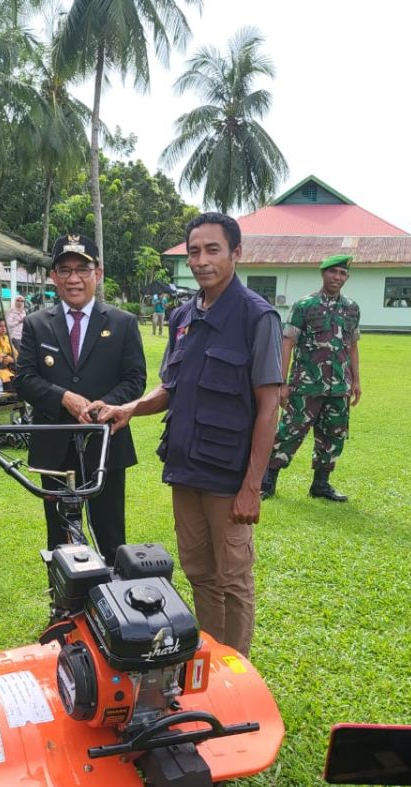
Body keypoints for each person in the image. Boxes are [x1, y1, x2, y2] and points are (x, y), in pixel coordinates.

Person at [97, 213, 281, 655]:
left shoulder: (258, 317)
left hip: (229, 477)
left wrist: (252, 487)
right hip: (186, 468)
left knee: (234, 578)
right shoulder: (182, 316)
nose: (201, 260)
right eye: (194, 251)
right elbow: (171, 387)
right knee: (199, 571)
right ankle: (210, 658)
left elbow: (270, 406)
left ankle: (236, 672)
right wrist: (130, 408)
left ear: (236, 253)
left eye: (212, 250)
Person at [14, 233, 147, 565]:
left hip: (105, 445)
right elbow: (24, 379)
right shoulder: (36, 324)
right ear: (53, 276)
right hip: (53, 446)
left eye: (82, 270)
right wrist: (64, 398)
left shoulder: (122, 323)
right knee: (58, 539)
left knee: (111, 536)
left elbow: (135, 379)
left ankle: (113, 612)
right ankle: (63, 612)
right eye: (65, 270)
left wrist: (105, 404)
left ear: (97, 274)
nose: (74, 278)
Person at [260, 255, 361, 502]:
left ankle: (321, 485)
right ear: (323, 273)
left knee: (333, 434)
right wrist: (281, 382)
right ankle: (267, 481)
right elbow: (287, 343)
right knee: (290, 431)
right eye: (333, 272)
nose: (337, 277)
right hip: (306, 385)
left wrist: (356, 381)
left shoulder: (351, 308)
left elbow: (353, 346)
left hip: (339, 386)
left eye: (342, 273)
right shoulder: (305, 306)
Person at [0, 319, 18, 386]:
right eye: (1, 326)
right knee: (11, 380)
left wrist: (12, 359)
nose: (4, 328)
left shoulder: (7, 338)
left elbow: (15, 354)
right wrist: (5, 358)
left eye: (5, 326)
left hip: (9, 367)